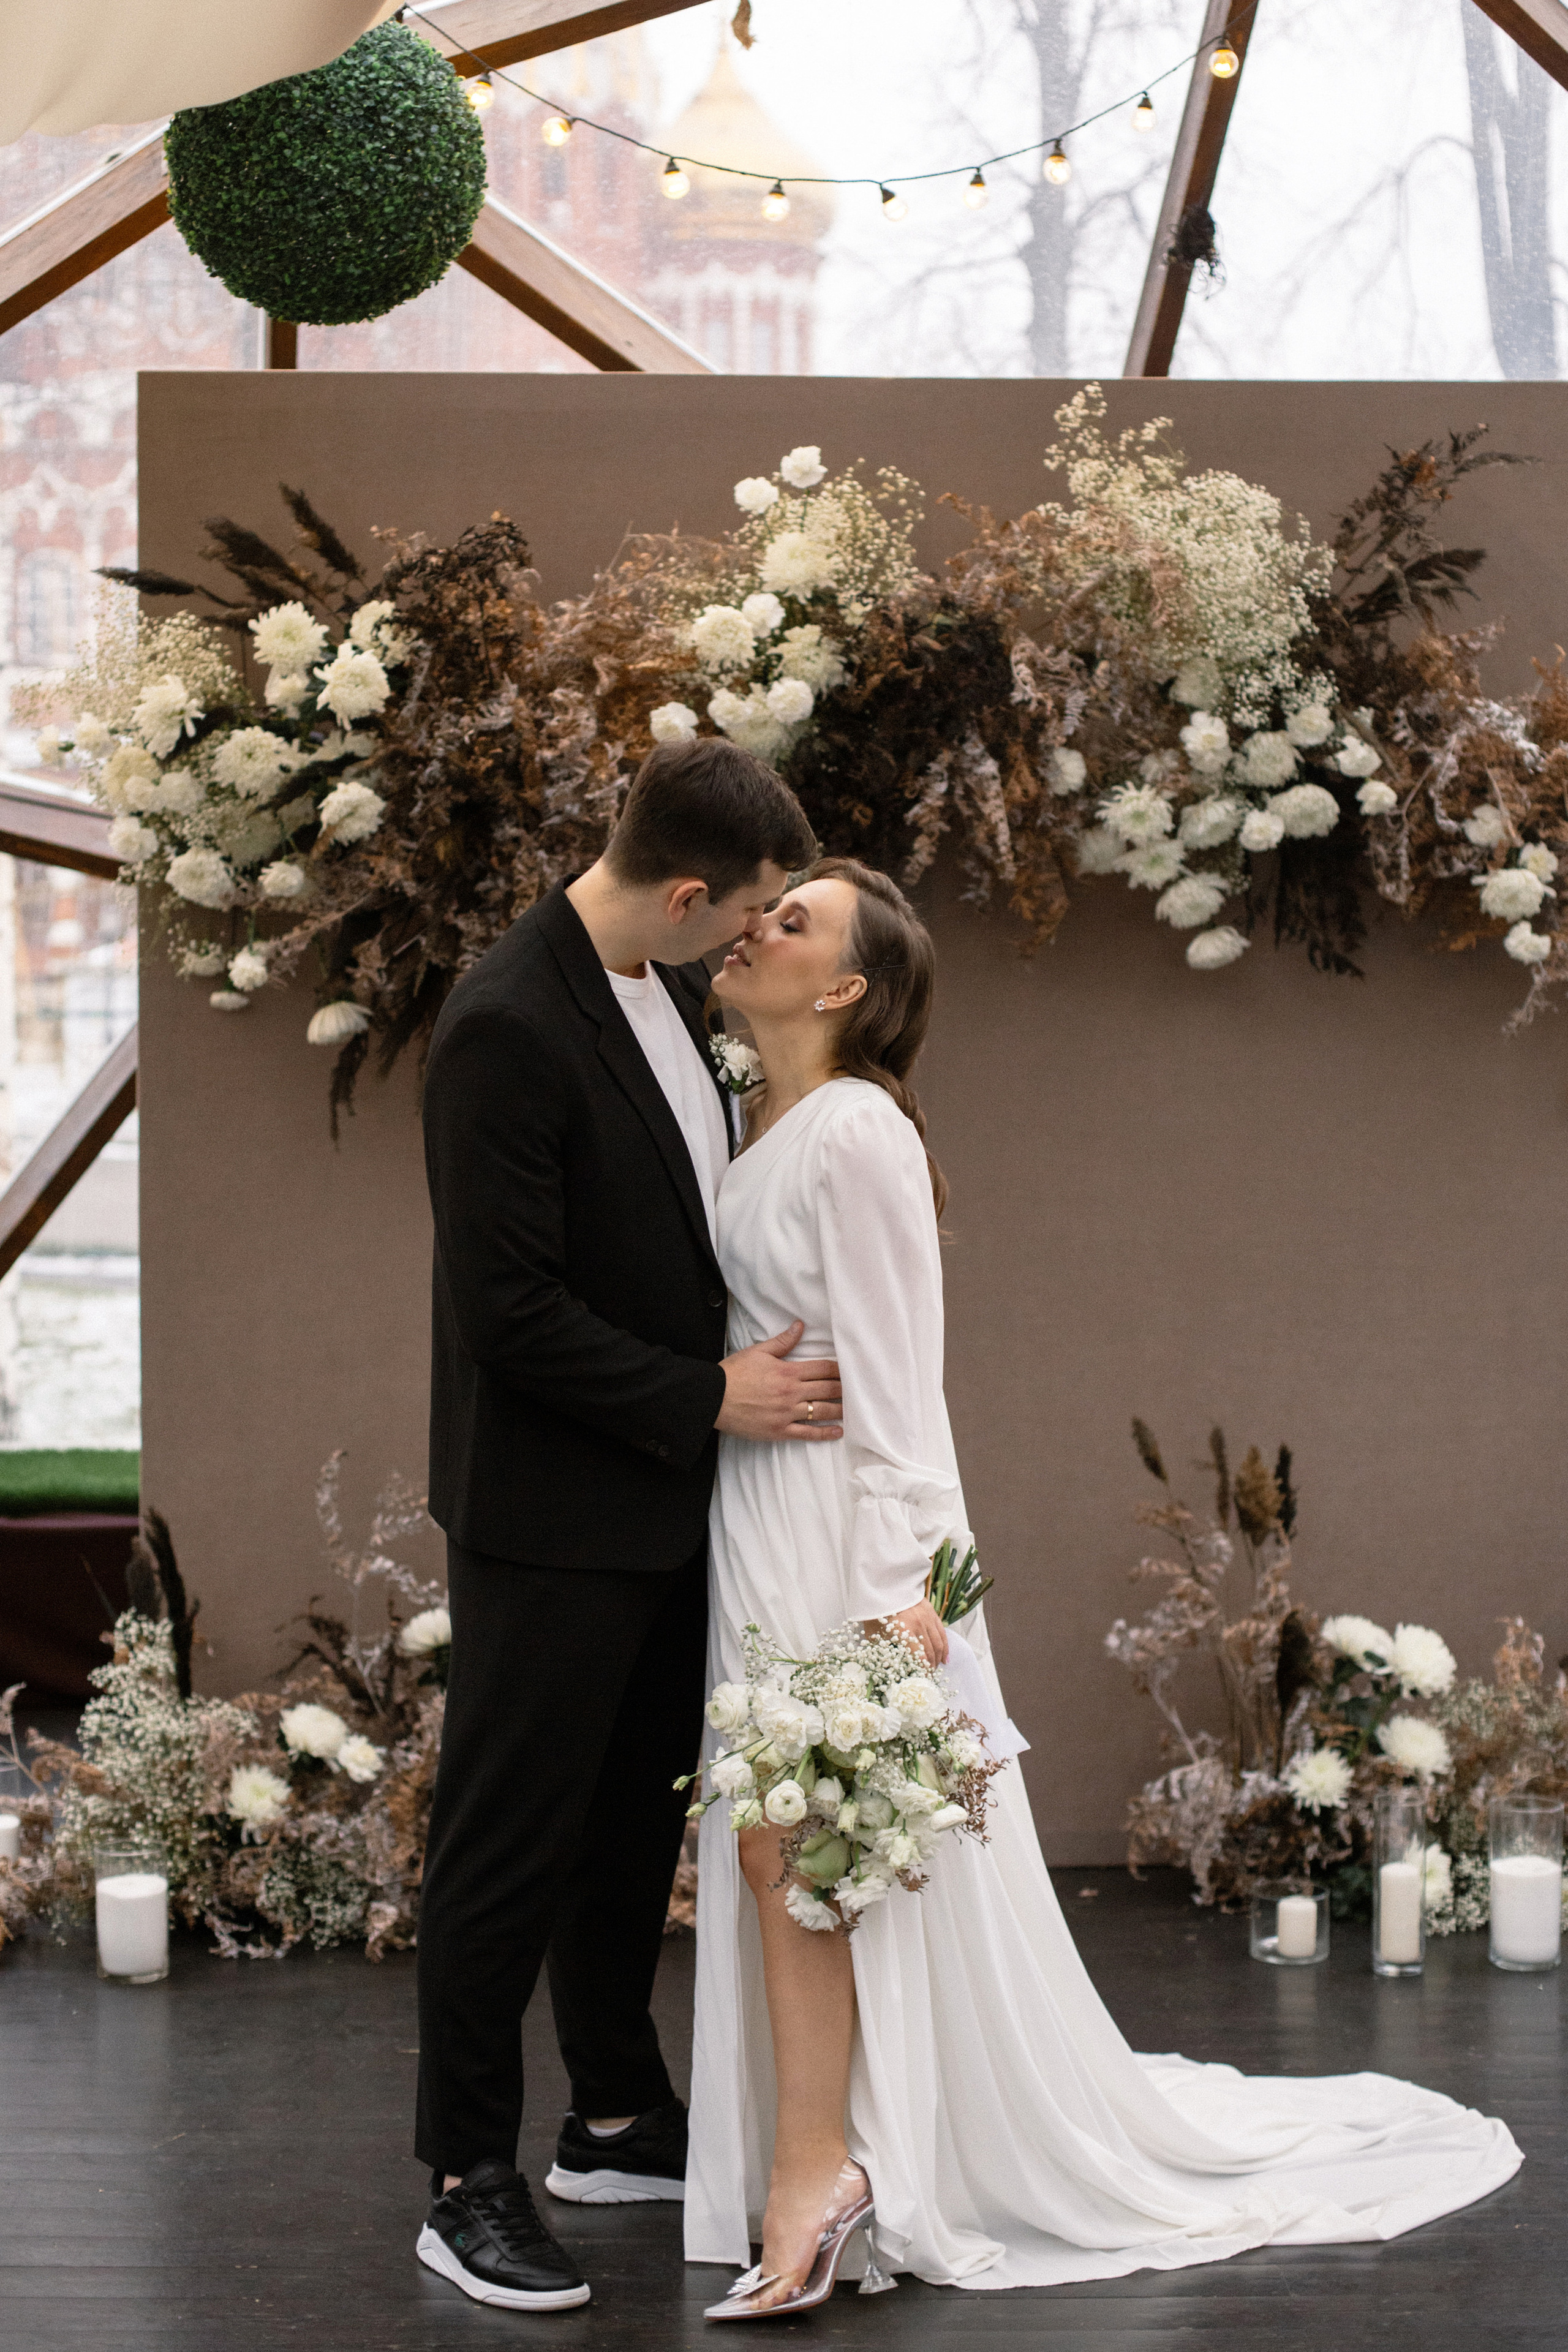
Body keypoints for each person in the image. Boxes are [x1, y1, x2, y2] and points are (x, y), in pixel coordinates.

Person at [685, 854, 1523, 2315]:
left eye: (794, 920)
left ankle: (837, 2172)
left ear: (845, 989)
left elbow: (898, 1392)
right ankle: (830, 2162)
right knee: (789, 1850)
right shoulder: (757, 1117)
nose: (755, 925)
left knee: (812, 1843)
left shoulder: (860, 1134)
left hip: (838, 1539)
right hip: (755, 1520)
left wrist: (901, 1613)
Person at [414, 739, 833, 2314]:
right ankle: (462, 2180)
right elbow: (505, 1314)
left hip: (663, 1503)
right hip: (549, 1515)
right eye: (750, 913)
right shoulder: (505, 1027)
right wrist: (708, 1395)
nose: (754, 940)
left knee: (622, 1832)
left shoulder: (655, 990)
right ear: (681, 892)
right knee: (501, 1850)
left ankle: (606, 2112)